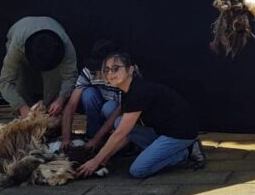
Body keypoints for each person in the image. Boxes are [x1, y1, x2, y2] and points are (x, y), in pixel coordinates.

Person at [76, 52, 205, 179]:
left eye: (116, 69)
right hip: (161, 132)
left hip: (180, 134)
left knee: (138, 170)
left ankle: (186, 151)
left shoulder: (138, 92)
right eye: (107, 70)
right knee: (118, 122)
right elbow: (125, 133)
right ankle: (163, 150)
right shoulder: (126, 91)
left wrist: (96, 161)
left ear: (130, 69)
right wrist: (105, 157)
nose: (110, 73)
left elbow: (120, 133)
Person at [0, 16, 78, 118]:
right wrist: (21, 106)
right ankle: (24, 119)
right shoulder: (17, 46)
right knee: (21, 85)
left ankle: (50, 117)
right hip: (21, 36)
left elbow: (70, 77)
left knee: (53, 88)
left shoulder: (64, 45)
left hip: (52, 52)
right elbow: (6, 82)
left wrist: (61, 100)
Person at [60, 39, 123, 150]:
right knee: (88, 94)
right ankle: (91, 136)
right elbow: (71, 105)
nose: (98, 73)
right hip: (97, 108)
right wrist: (66, 138)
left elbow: (120, 110)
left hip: (116, 113)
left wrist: (97, 139)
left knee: (109, 108)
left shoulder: (124, 73)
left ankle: (107, 139)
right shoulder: (89, 71)